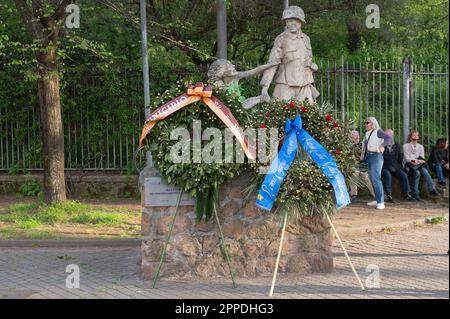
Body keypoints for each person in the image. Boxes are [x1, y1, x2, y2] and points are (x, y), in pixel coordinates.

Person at [259, 6, 320, 104]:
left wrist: (312, 66)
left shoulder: (306, 39)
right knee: (281, 116)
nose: (290, 24)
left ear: (300, 21)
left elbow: (307, 60)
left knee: (308, 116)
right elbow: (272, 64)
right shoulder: (281, 39)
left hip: (304, 85)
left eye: (293, 20)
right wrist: (265, 88)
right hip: (285, 85)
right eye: (288, 21)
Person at [361, 117, 393, 210]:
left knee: (375, 178)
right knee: (372, 178)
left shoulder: (378, 131)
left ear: (373, 123)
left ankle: (381, 202)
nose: (365, 124)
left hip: (376, 156)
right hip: (369, 157)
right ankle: (378, 199)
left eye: (368, 122)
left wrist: (382, 145)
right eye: (365, 122)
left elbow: (388, 138)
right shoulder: (367, 134)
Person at [403, 131, 440, 200]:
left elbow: (422, 158)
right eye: (414, 135)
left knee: (424, 171)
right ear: (410, 138)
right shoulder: (406, 146)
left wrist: (416, 161)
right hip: (409, 166)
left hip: (418, 165)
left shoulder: (420, 147)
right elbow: (407, 158)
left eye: (417, 136)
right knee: (417, 173)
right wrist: (414, 161)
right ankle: (415, 193)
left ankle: (432, 189)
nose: (415, 137)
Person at [381, 129, 414, 202]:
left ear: (392, 136)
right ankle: (389, 194)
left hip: (395, 166)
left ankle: (407, 193)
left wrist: (402, 167)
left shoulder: (396, 144)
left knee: (404, 175)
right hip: (384, 167)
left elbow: (399, 157)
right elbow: (381, 157)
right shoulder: (381, 144)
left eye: (390, 135)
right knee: (388, 175)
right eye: (386, 135)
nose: (388, 136)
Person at [349, 130, 375, 201]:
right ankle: (354, 195)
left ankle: (375, 194)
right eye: (354, 135)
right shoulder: (349, 146)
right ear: (351, 137)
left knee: (366, 178)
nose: (357, 136)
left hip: (362, 165)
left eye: (357, 135)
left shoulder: (362, 145)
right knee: (354, 174)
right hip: (353, 166)